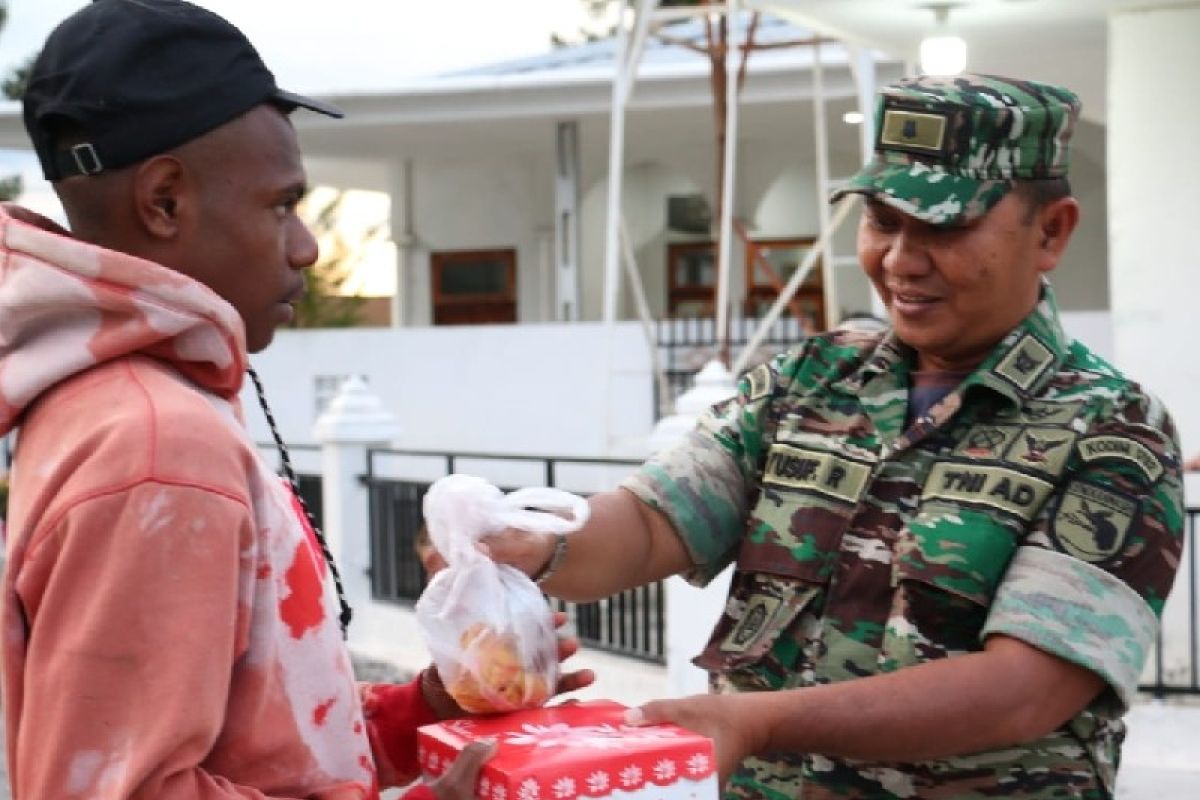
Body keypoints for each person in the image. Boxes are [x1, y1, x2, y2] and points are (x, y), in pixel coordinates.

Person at [486, 74, 1184, 799]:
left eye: (943, 227)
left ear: (1051, 231)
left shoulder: (1110, 430)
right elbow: (653, 522)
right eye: (882, 220)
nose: (900, 260)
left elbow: (1025, 688)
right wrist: (531, 542)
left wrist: (756, 722)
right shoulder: (812, 380)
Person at [0, 2, 591, 799]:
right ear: (165, 200)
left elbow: (252, 746)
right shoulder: (158, 448)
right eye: (281, 205)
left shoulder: (109, 404)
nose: (307, 245)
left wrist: (425, 709)